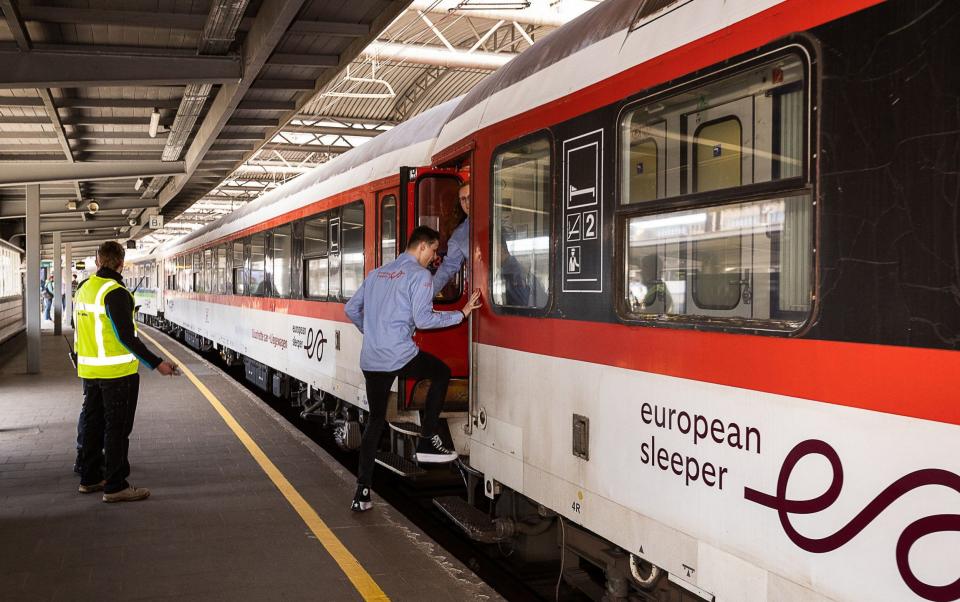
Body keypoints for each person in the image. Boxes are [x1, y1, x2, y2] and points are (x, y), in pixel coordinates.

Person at [344, 226, 482, 512]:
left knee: (375, 422)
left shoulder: (377, 273)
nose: (435, 258)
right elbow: (424, 320)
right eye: (434, 250)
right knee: (440, 373)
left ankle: (362, 493)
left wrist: (370, 332)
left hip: (371, 358)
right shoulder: (420, 276)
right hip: (399, 355)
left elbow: (351, 309)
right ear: (422, 246)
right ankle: (428, 440)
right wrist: (462, 314)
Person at [74, 241, 178, 502]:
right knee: (117, 429)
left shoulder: (84, 288)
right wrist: (157, 364)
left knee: (93, 423)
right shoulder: (116, 292)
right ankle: (116, 486)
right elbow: (126, 337)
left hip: (89, 370)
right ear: (121, 263)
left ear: (98, 261)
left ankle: (90, 478)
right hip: (116, 373)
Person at [432, 182, 470, 295]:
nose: (467, 203)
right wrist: (425, 295)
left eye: (470, 197)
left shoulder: (496, 218)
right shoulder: (459, 235)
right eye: (463, 199)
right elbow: (448, 267)